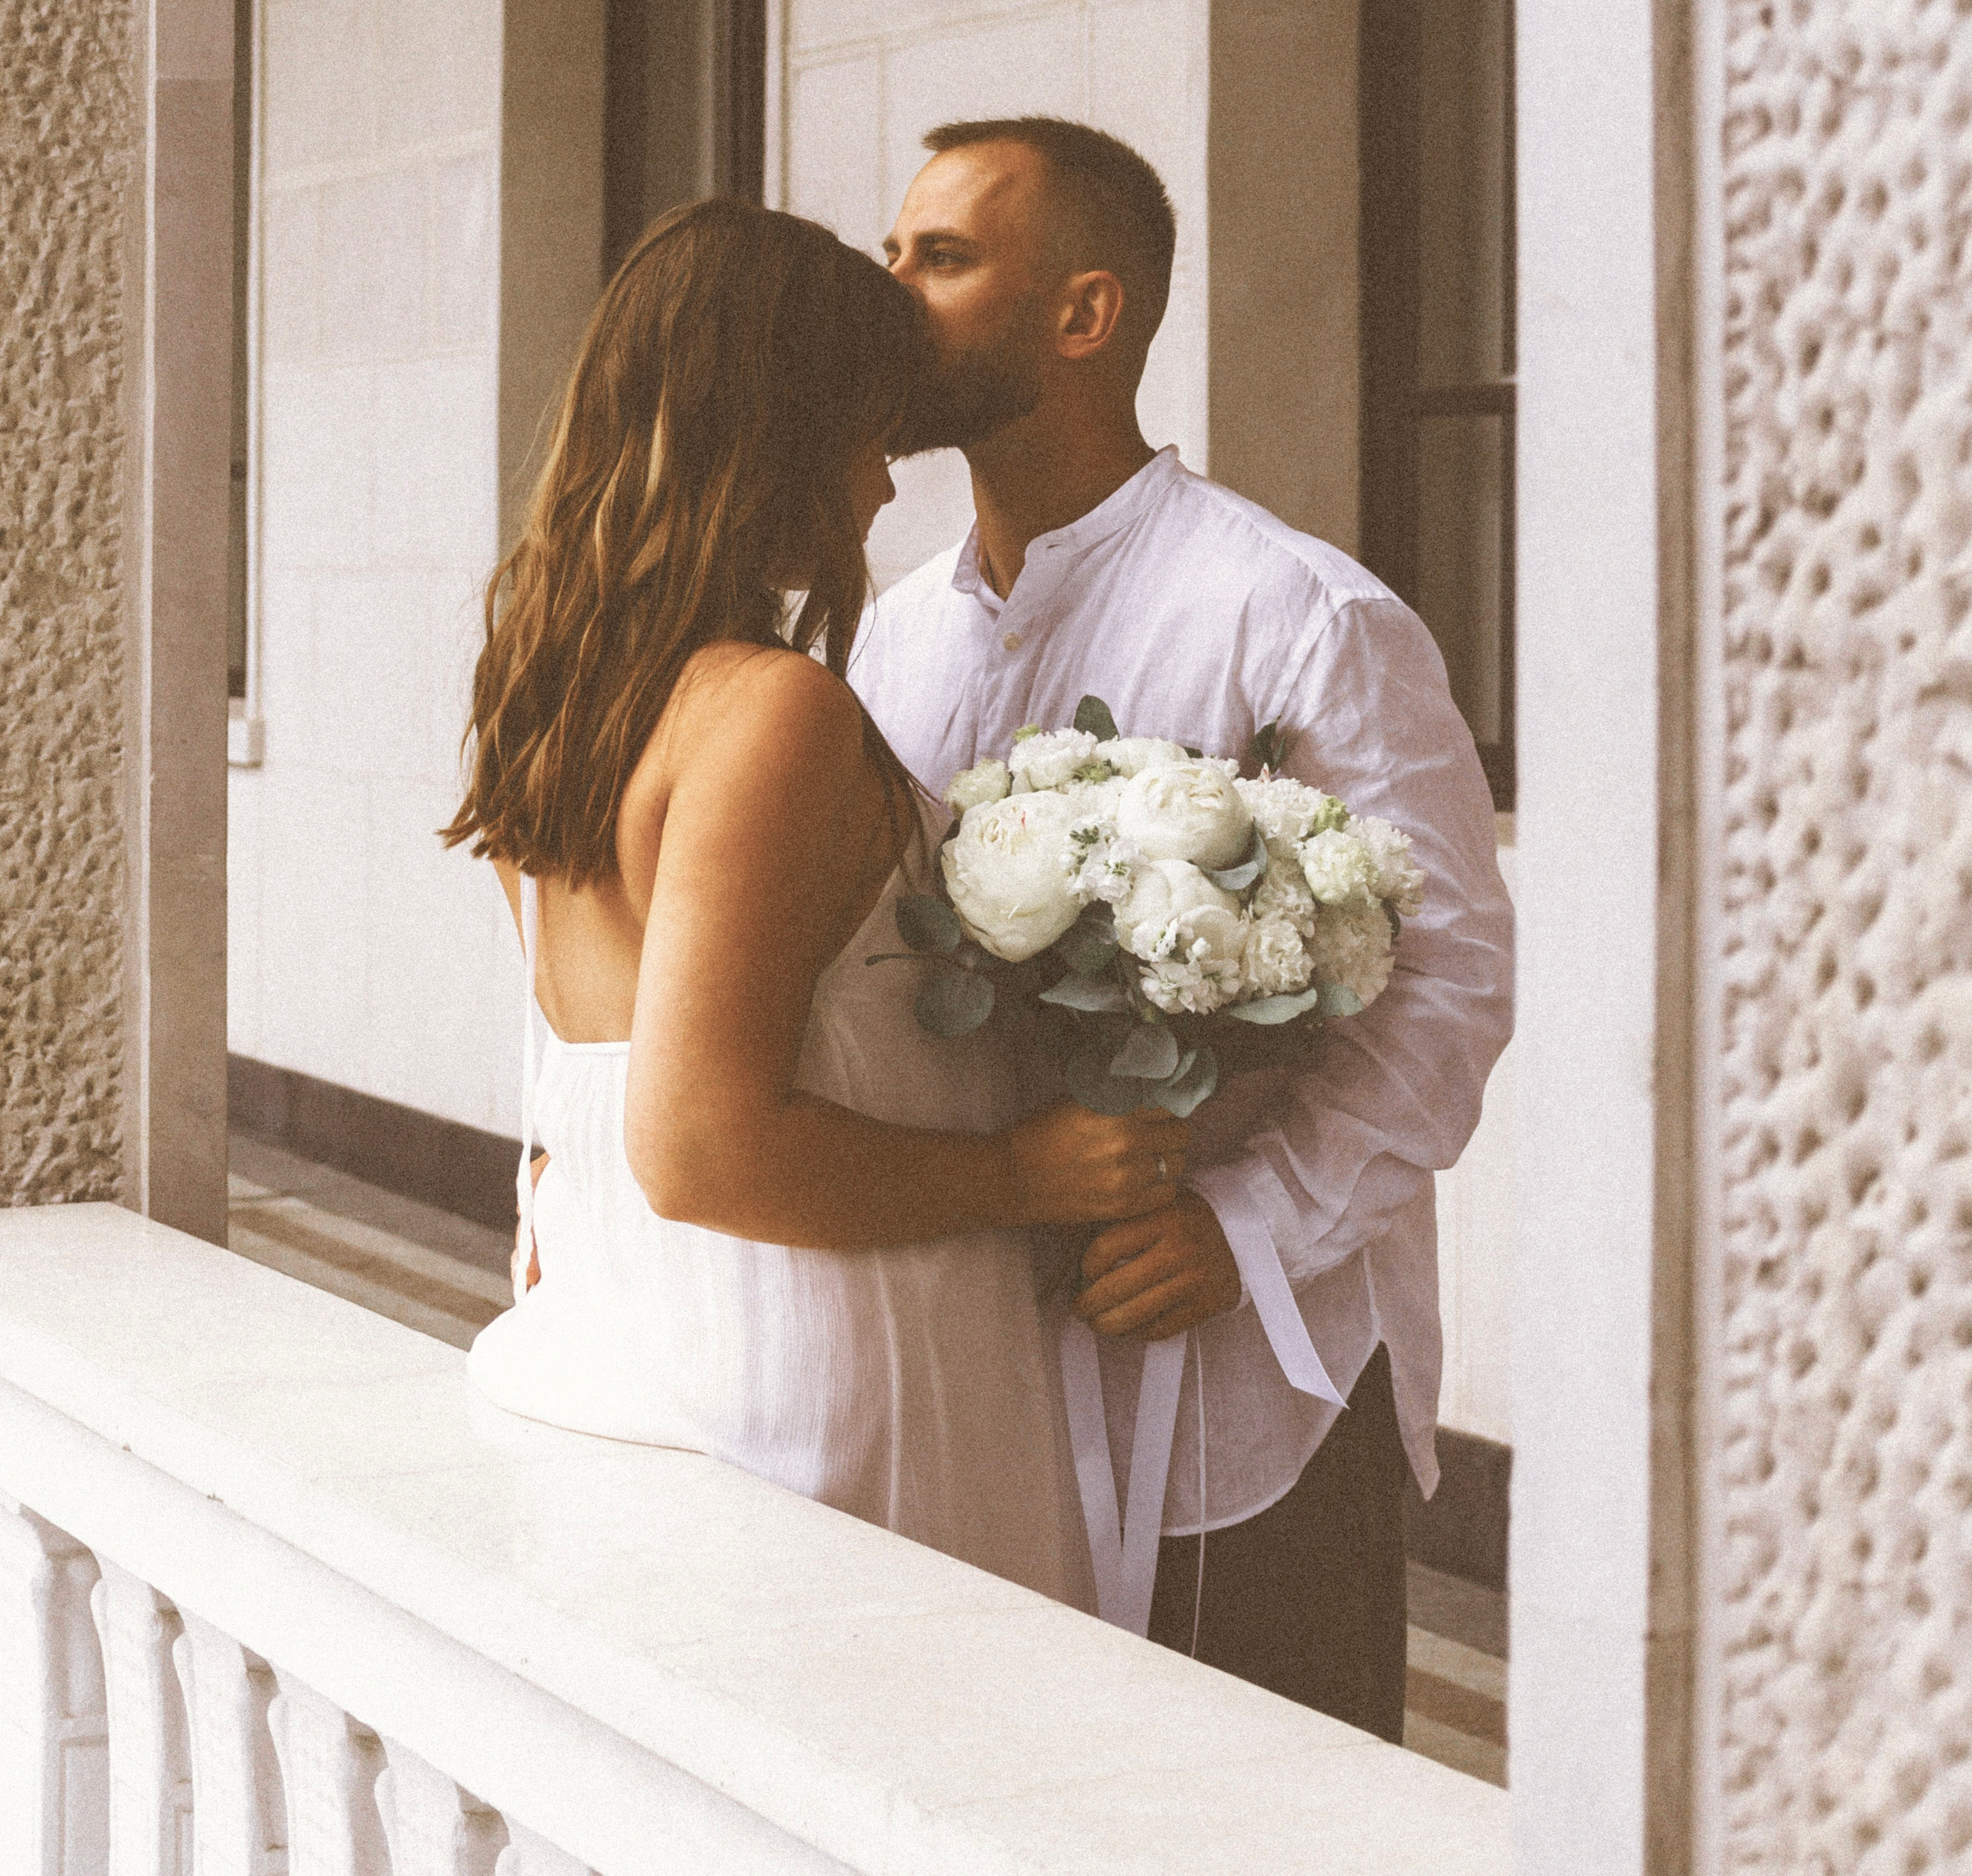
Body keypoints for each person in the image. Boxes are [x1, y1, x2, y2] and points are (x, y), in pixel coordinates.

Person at [850, 117, 1514, 1731]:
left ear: (1083, 313)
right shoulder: (883, 640)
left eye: (938, 258)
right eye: (892, 253)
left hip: (1244, 1395)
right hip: (975, 1382)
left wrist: (1244, 1227)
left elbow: (1448, 989)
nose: (888, 293)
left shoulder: (1294, 612)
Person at [449, 196, 1183, 1606]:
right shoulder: (765, 713)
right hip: (812, 1360)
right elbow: (702, 1145)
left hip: (623, 1332)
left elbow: (600, 1093)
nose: (884, 489)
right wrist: (1027, 1174)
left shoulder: (544, 694)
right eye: (865, 435)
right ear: (776, 441)